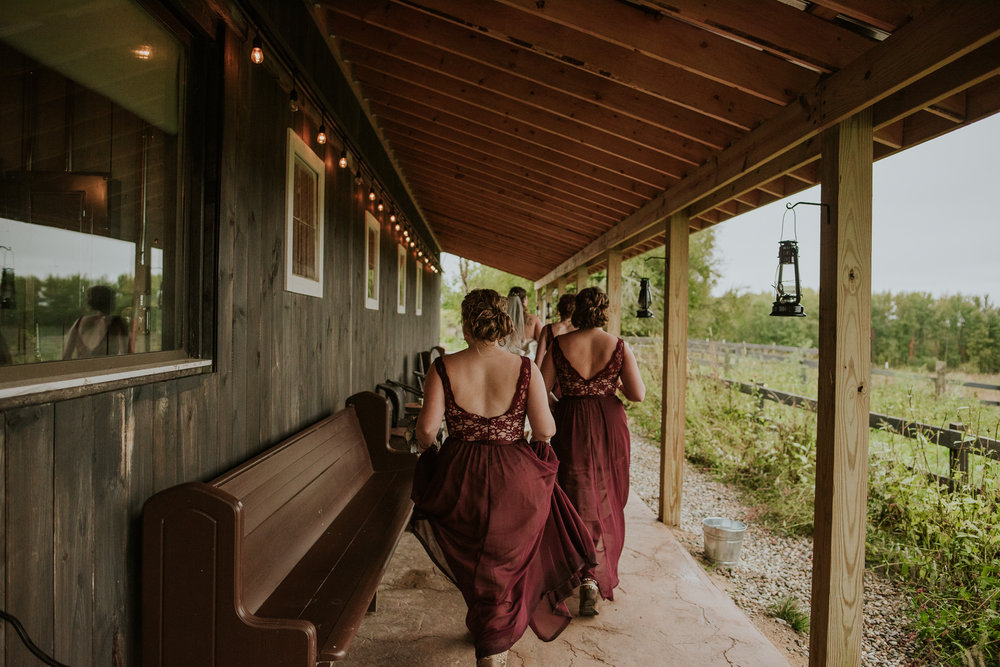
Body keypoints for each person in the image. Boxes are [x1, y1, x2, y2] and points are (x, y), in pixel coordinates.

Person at [411, 289, 596, 666]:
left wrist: (439, 449)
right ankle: (494, 640)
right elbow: (545, 430)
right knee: (504, 560)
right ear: (505, 322)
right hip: (514, 475)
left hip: (460, 475)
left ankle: (489, 634)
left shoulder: (443, 367)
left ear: (466, 324)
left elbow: (426, 431)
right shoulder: (524, 368)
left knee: (475, 557)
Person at [540, 286, 645, 616]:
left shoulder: (559, 344)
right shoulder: (618, 346)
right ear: (605, 311)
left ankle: (576, 571)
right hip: (608, 424)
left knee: (571, 493)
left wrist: (564, 402)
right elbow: (637, 394)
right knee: (605, 494)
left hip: (570, 421)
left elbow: (539, 391)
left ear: (576, 312)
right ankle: (593, 577)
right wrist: (610, 384)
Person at [62, 285, 130, 359]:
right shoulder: (118, 323)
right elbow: (125, 355)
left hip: (83, 369)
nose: (115, 302)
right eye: (113, 299)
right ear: (109, 302)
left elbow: (66, 356)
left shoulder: (79, 322)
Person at [534, 292, 577, 369]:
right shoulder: (580, 329)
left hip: (551, 374)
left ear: (559, 309)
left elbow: (538, 362)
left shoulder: (547, 329)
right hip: (573, 375)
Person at [508, 286, 542, 352]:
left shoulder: (503, 320)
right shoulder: (534, 320)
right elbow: (542, 343)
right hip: (528, 360)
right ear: (524, 299)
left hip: (508, 359)